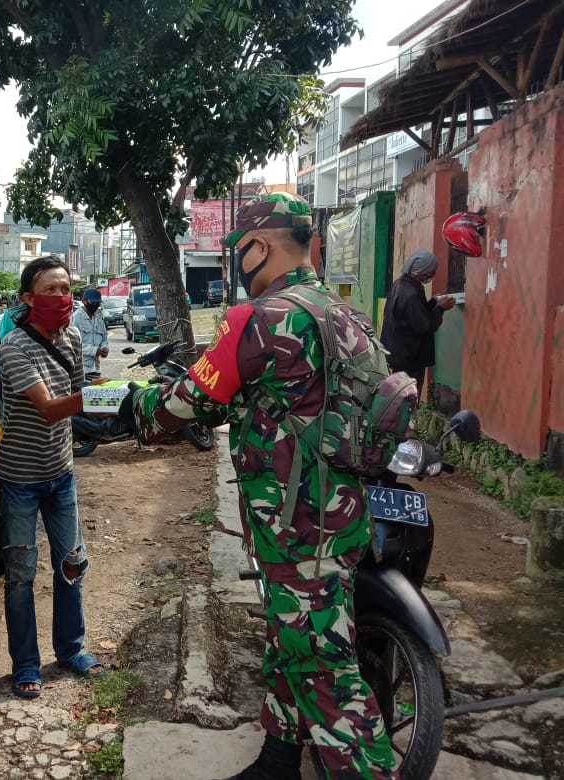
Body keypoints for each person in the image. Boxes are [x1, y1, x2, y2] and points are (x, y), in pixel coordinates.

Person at [120, 193, 397, 780]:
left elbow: (185, 402)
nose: (236, 265)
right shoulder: (343, 313)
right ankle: (275, 762)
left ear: (260, 247)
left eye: (238, 252)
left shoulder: (261, 319)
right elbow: (284, 399)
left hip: (296, 527)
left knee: (324, 669)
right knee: (290, 642)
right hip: (343, 517)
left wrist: (134, 404)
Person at [0, 255, 107, 699]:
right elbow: (50, 407)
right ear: (28, 298)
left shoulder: (74, 336)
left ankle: (71, 649)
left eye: (66, 289)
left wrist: (116, 405)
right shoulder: (13, 347)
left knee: (72, 565)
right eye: (51, 291)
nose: (62, 298)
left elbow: (77, 399)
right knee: (21, 574)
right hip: (20, 478)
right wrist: (103, 394)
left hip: (61, 473)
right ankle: (25, 663)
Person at [380, 248, 455, 398]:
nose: (432, 275)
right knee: (408, 398)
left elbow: (415, 314)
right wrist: (440, 308)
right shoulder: (410, 293)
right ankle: (406, 421)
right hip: (409, 357)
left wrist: (434, 302)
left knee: (399, 395)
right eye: (431, 272)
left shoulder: (402, 284)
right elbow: (424, 325)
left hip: (399, 354)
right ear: (422, 270)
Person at [70, 287, 109, 381]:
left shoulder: (99, 320)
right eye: (93, 302)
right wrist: (94, 350)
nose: (95, 305)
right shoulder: (76, 318)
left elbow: (104, 339)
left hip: (96, 369)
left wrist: (104, 349)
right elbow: (72, 345)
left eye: (98, 303)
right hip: (81, 370)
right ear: (84, 301)